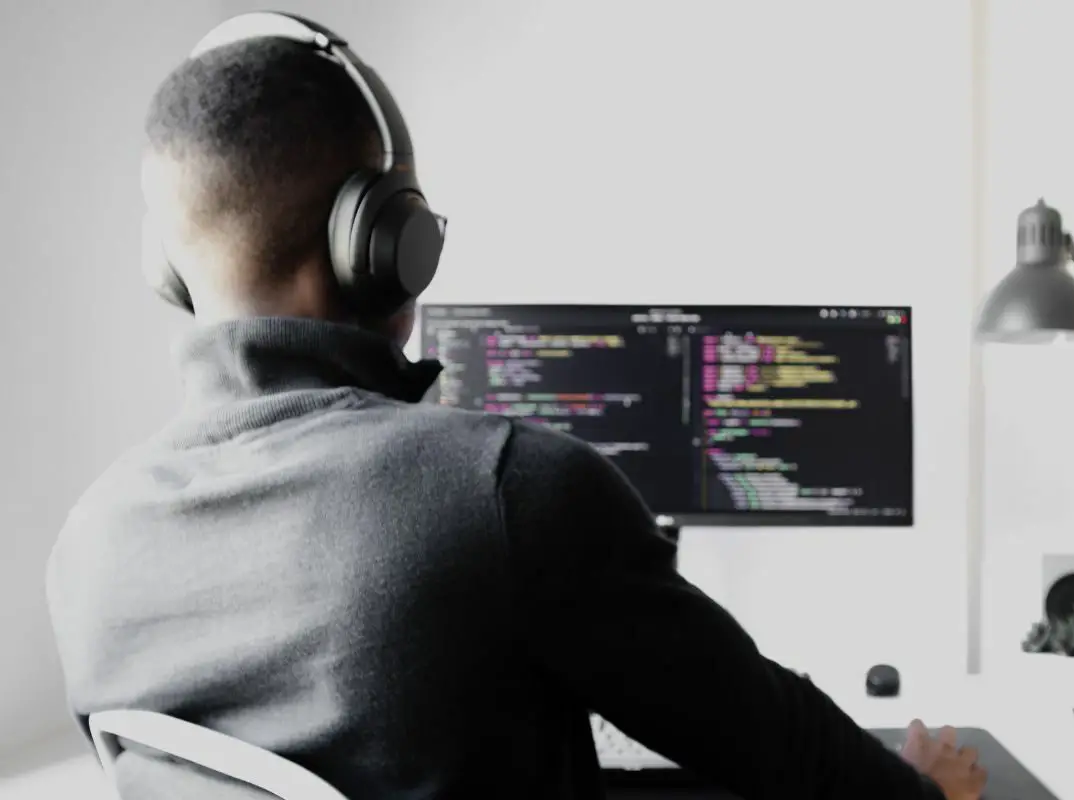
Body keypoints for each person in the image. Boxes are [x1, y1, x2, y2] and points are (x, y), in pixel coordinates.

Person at [45, 17, 986, 800]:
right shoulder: (505, 488)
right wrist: (924, 787)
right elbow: (788, 754)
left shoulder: (86, 547)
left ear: (168, 268)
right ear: (385, 242)